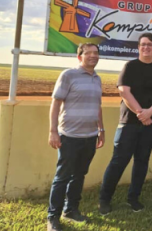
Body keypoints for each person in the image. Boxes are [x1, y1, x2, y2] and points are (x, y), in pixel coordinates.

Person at [99, 33, 152, 215]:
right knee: (118, 161)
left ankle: (133, 198)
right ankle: (104, 200)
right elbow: (124, 91)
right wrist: (141, 113)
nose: (146, 47)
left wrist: (150, 112)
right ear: (138, 47)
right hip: (128, 122)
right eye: (143, 44)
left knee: (142, 161)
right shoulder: (130, 67)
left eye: (150, 44)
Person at [47, 43, 105, 231]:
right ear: (79, 57)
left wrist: (101, 130)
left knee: (79, 175)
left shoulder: (97, 78)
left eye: (96, 53)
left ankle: (71, 210)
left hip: (90, 136)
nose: (93, 56)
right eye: (88, 53)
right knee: (62, 177)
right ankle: (53, 217)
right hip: (69, 136)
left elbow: (97, 106)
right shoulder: (68, 75)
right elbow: (56, 104)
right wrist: (53, 131)